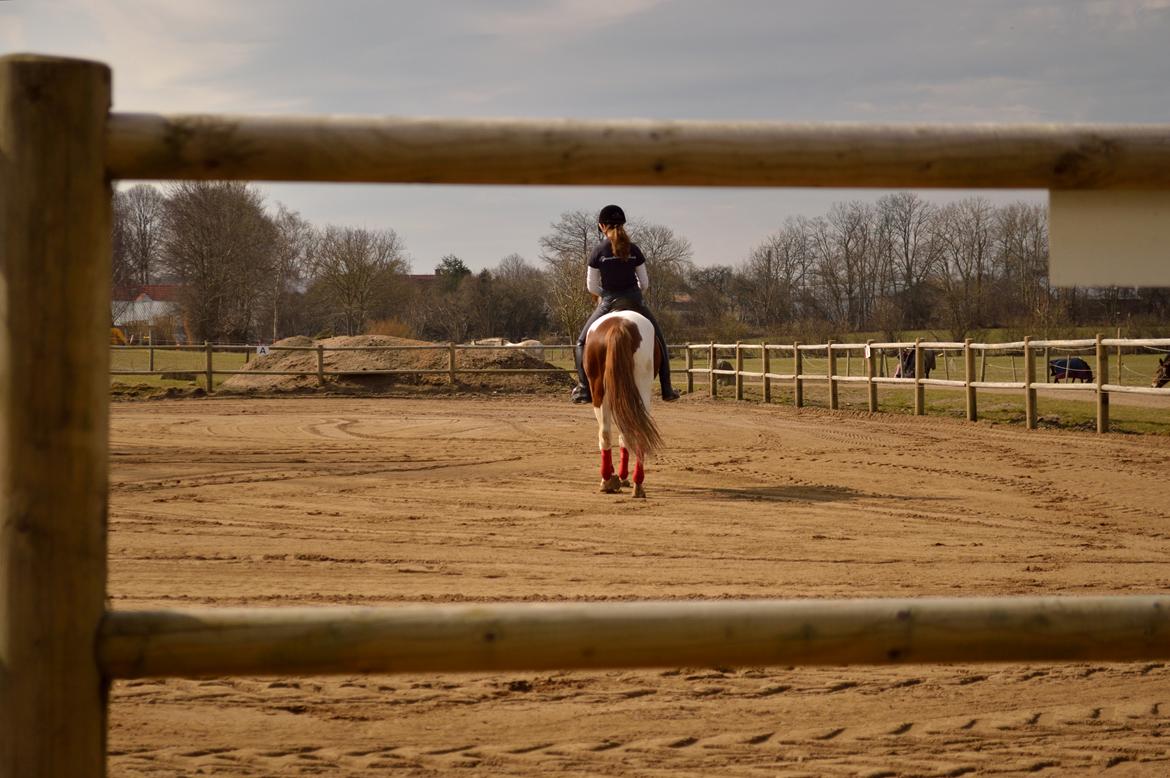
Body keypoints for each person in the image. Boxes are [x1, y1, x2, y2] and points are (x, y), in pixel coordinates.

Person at [571, 204, 681, 404]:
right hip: (634, 300)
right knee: (660, 340)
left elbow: (592, 287)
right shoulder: (634, 249)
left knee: (580, 342)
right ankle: (667, 388)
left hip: (608, 302)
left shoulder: (598, 251)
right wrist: (634, 295)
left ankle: (584, 388)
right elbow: (645, 283)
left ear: (602, 226)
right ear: (623, 224)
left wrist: (606, 296)